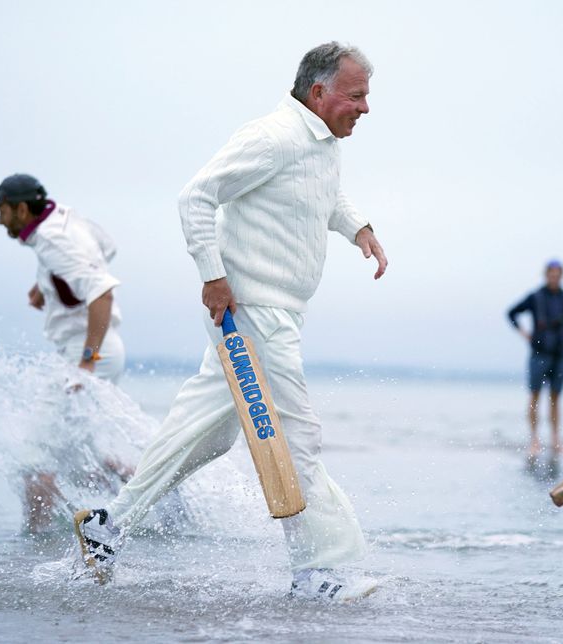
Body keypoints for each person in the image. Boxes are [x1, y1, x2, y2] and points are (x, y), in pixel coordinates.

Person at [71, 43, 388, 600]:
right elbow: (196, 197)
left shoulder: (319, 143)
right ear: (319, 92)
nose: (365, 108)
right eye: (357, 96)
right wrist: (212, 275)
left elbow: (324, 194)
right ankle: (318, 573)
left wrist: (358, 227)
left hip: (277, 314)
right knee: (295, 436)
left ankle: (108, 526)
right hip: (252, 314)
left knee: (208, 433)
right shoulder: (272, 137)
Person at [0, 173, 127, 531]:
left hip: (88, 354)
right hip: (92, 352)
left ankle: (35, 541)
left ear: (22, 208)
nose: (0, 221)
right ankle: (159, 499)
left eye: (2, 211)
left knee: (34, 456)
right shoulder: (61, 217)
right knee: (81, 459)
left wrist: (87, 363)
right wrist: (47, 284)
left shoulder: (52, 240)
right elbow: (106, 249)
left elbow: (102, 292)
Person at [507, 260, 563, 460]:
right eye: (551, 273)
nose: (554, 277)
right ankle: (533, 440)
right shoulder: (535, 297)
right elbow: (512, 313)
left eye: (558, 274)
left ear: (561, 276)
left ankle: (555, 440)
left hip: (559, 353)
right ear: (546, 274)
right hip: (539, 352)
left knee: (555, 398)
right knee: (534, 396)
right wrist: (523, 332)